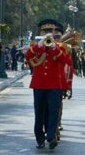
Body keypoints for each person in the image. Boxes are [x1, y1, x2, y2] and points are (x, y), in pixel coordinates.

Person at [24, 19, 67, 150]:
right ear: (41, 32)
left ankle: (51, 136)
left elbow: (66, 60)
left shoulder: (60, 47)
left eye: (50, 31)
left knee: (53, 111)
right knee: (39, 113)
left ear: (54, 31)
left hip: (54, 85)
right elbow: (28, 57)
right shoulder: (35, 46)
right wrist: (39, 45)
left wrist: (54, 48)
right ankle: (40, 138)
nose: (48, 33)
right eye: (45, 31)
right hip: (39, 84)